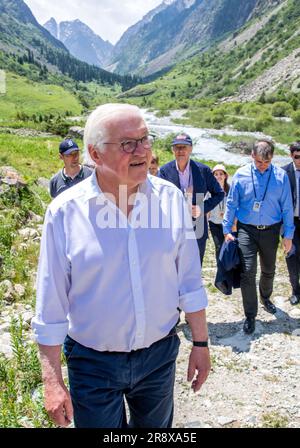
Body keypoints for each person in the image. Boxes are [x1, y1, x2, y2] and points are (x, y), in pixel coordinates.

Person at [32, 104, 211, 428]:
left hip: (158, 358)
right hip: (92, 364)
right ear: (95, 155)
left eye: (145, 139)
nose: (142, 150)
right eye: (128, 144)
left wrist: (200, 343)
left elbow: (189, 282)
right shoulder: (64, 213)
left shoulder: (170, 201)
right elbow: (51, 306)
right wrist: (53, 380)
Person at [223, 140, 294, 335]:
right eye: (259, 162)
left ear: (272, 157)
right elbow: (231, 202)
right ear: (252, 156)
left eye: (267, 162)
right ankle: (250, 315)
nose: (262, 166)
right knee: (247, 272)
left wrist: (288, 235)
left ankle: (265, 297)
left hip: (271, 230)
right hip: (247, 230)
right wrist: (226, 228)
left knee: (269, 270)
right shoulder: (240, 174)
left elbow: (287, 206)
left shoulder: (281, 176)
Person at [159, 133, 224, 264]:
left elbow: (219, 193)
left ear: (191, 149)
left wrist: (202, 208)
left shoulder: (203, 170)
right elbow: (159, 197)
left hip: (197, 224)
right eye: (177, 147)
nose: (180, 151)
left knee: (195, 266)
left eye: (184, 147)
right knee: (173, 266)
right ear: (172, 150)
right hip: (173, 224)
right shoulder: (165, 171)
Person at [282, 141, 300, 305]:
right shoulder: (283, 173)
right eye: (297, 157)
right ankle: (295, 290)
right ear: (291, 155)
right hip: (290, 222)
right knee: (292, 255)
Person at [208, 164, 234, 261]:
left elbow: (235, 206)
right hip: (214, 223)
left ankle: (229, 269)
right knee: (219, 247)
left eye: (221, 174)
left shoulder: (231, 190)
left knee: (228, 246)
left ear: (225, 176)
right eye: (216, 174)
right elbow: (207, 208)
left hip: (228, 223)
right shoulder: (210, 190)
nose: (219, 176)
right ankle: (220, 270)